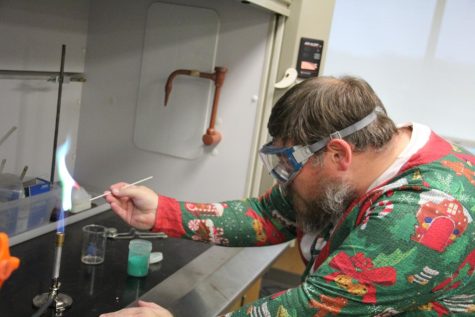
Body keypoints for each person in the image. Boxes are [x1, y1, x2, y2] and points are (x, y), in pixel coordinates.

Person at [100, 76, 475, 317]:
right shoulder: (375, 152)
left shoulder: (420, 213)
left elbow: (313, 308)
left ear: (339, 154)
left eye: (291, 165)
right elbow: (269, 214)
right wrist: (162, 212)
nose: (286, 181)